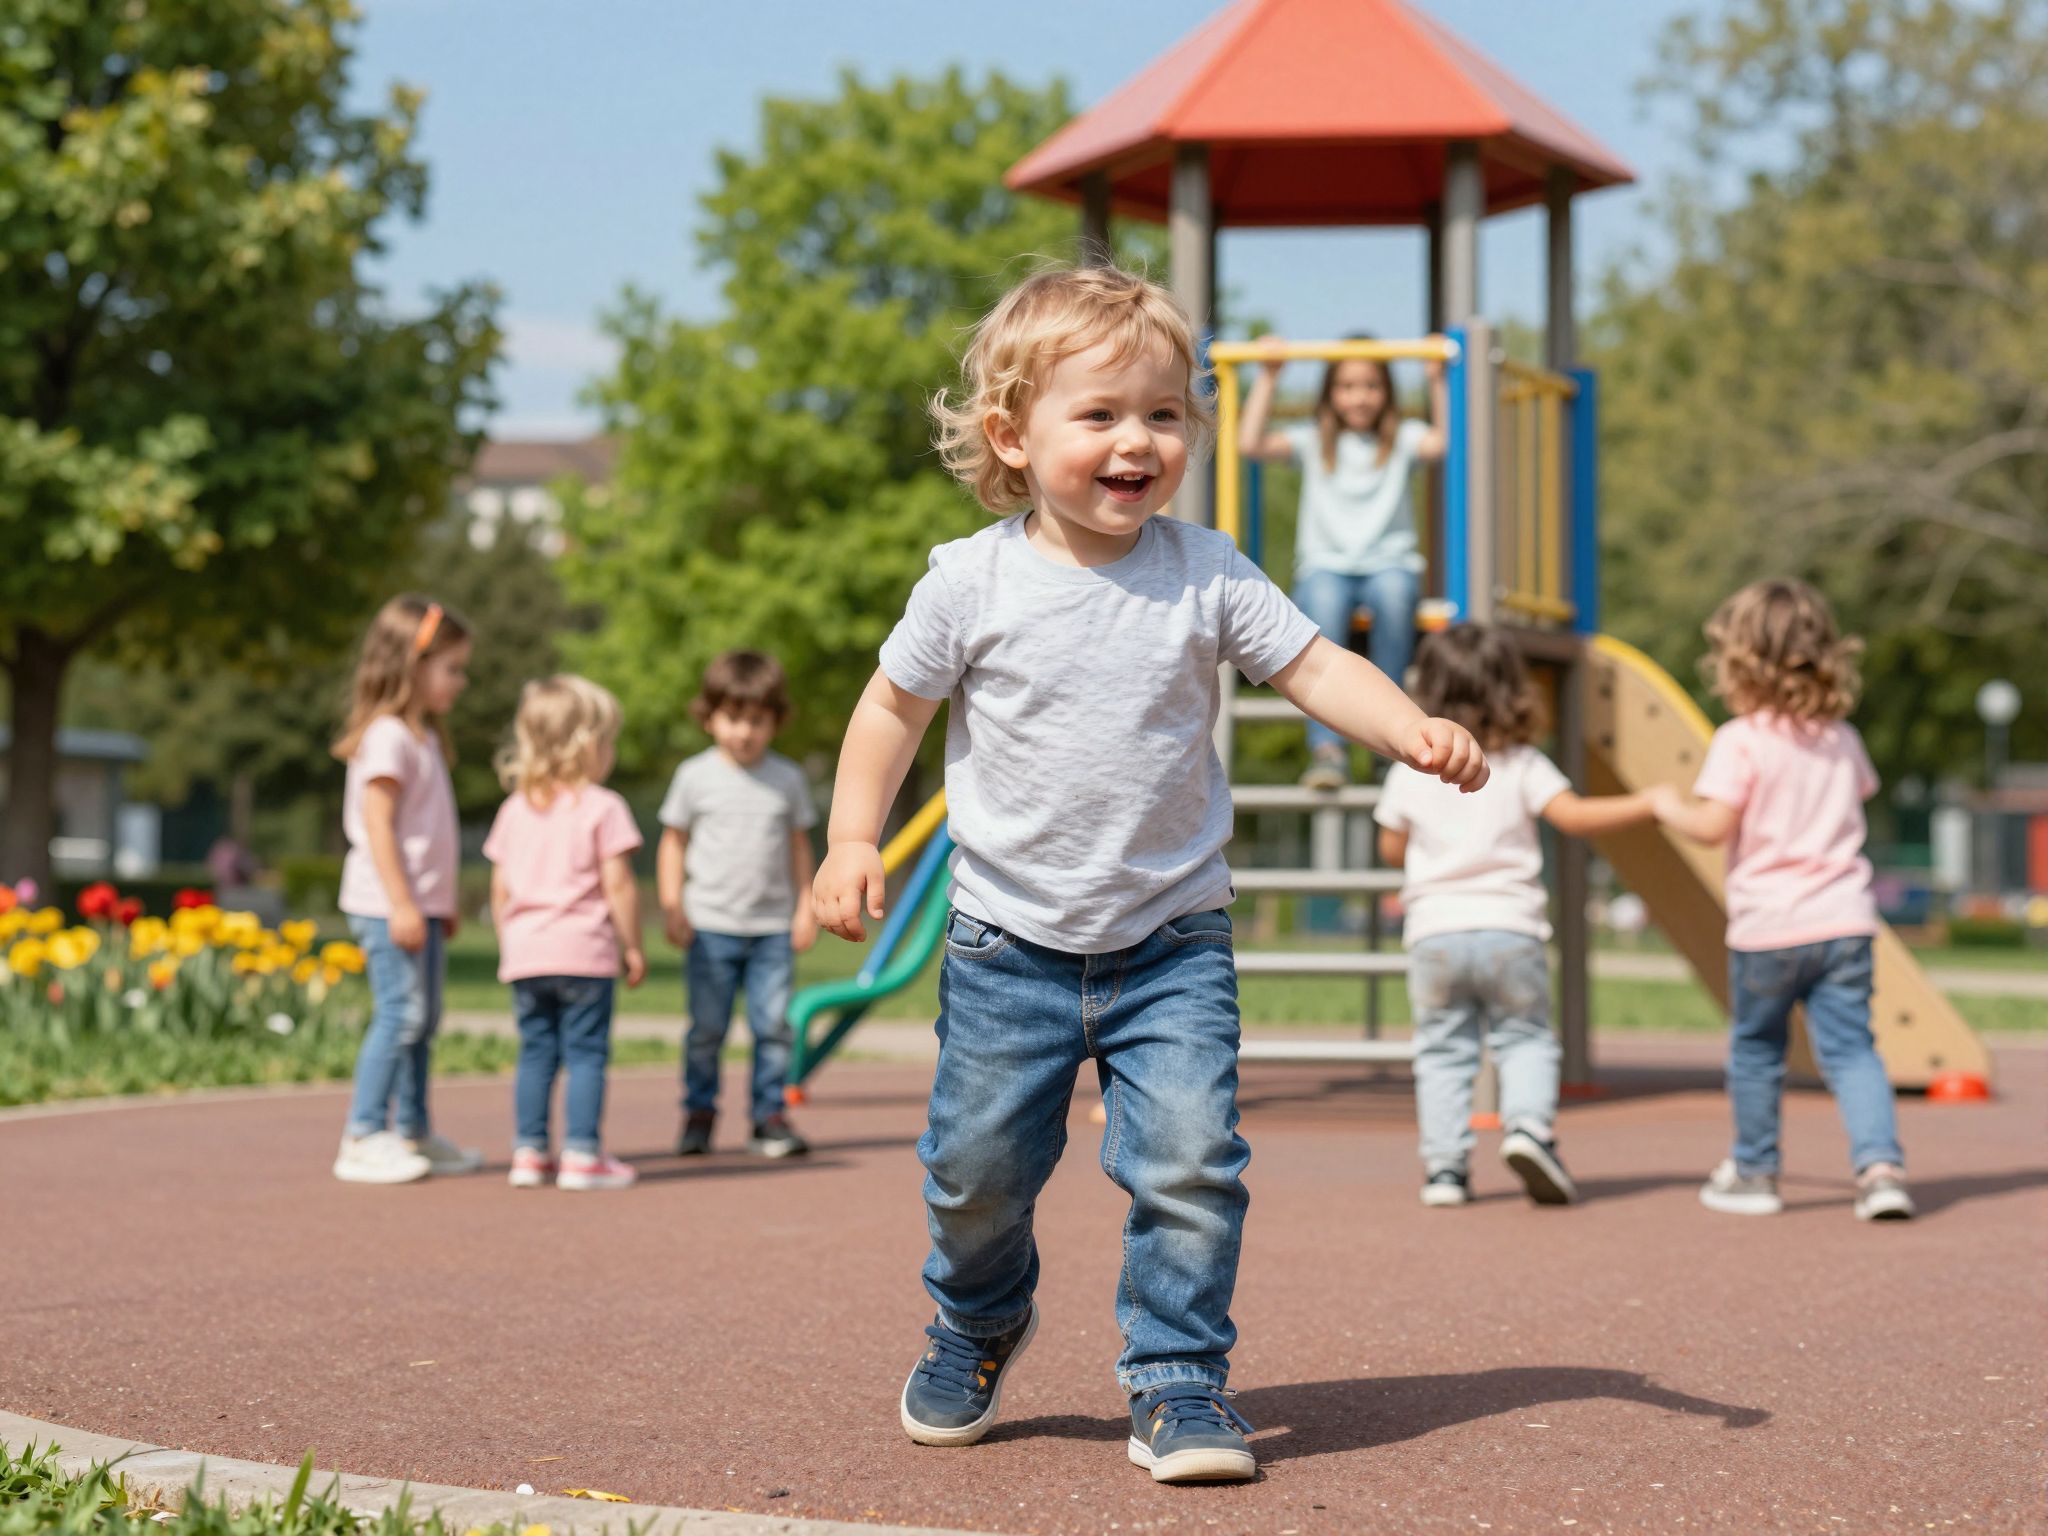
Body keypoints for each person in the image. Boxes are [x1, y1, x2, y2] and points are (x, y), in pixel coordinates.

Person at [813, 265, 1488, 1485]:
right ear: (1012, 435)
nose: (1138, 441)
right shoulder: (970, 581)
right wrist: (853, 836)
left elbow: (1320, 666)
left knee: (1188, 1164)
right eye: (1102, 415)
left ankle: (1177, 1382)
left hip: (1170, 942)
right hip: (1004, 944)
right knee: (976, 1176)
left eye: (1164, 415)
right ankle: (977, 1318)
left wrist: (1407, 729)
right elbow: (889, 708)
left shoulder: (1206, 569)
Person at [1375, 626, 1674, 1209]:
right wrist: (1650, 803)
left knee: (1442, 1050)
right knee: (1526, 1039)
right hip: (1511, 930)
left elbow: (1391, 848)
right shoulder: (1523, 763)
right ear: (1512, 690)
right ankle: (1530, 1130)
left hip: (1436, 933)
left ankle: (1445, 1169)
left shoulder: (1412, 766)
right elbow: (1575, 817)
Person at [1656, 579, 1914, 1222]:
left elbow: (1713, 826)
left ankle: (1755, 1172)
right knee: (1853, 1051)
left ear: (1739, 662)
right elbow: (1861, 793)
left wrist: (1666, 808)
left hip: (1770, 927)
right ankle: (1881, 1171)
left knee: (1757, 1051)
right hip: (1845, 922)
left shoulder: (1740, 740)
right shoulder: (1842, 739)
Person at [1239, 332, 1450, 788]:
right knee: (1322, 606)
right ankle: (1328, 750)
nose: (1359, 397)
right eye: (1348, 386)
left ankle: (1392, 738)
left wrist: (1437, 379)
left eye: (1371, 386)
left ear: (1387, 392)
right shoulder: (1315, 440)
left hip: (1388, 562)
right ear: (1331, 393)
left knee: (1395, 598)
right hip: (1326, 564)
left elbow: (1442, 444)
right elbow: (1250, 444)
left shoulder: (1401, 439)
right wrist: (1268, 378)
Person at [330, 596, 480, 1185]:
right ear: (410, 665)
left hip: (419, 908)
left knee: (425, 1017)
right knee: (401, 1012)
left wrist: (436, 905)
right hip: (385, 904)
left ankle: (414, 1130)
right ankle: (363, 1134)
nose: (460, 683)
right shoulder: (388, 737)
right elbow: (378, 826)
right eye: (452, 669)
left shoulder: (423, 738)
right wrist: (401, 903)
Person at [484, 675, 646, 1192]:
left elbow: (500, 890)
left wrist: (510, 940)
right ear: (587, 744)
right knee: (586, 1054)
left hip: (527, 953)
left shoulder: (513, 810)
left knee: (535, 1053)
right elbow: (618, 885)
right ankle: (581, 1154)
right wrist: (634, 945)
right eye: (608, 740)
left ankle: (529, 1153)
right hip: (583, 953)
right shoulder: (604, 806)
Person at [657, 650, 817, 1160]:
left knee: (772, 1026)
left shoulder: (787, 779)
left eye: (756, 721)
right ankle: (699, 1115)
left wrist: (805, 907)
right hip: (710, 925)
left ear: (775, 721)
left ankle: (768, 1118)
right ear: (709, 717)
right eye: (732, 719)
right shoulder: (694, 776)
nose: (743, 732)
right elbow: (673, 842)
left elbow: (798, 846)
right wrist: (671, 904)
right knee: (707, 1029)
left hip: (771, 927)